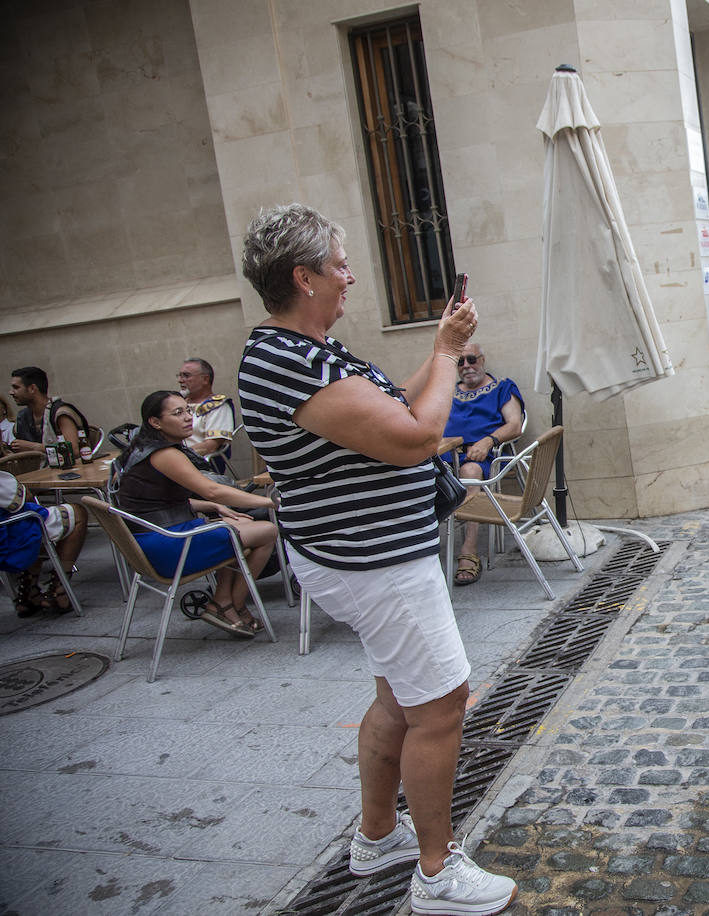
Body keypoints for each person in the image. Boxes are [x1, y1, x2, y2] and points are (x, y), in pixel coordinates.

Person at [237, 203, 517, 915]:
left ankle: (376, 836)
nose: (351, 277)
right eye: (338, 265)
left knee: (399, 697)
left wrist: (439, 345)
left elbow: (394, 405)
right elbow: (417, 438)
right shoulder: (288, 362)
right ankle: (437, 874)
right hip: (377, 564)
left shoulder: (304, 352)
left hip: (371, 555)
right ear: (303, 278)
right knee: (442, 706)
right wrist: (451, 355)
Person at [112, 390, 278, 636]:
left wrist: (212, 506)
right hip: (167, 544)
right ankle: (232, 603)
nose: (188, 417)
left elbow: (154, 502)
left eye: (188, 411)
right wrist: (270, 503)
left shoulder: (144, 448)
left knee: (231, 522)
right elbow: (212, 490)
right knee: (267, 530)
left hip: (151, 539)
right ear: (155, 422)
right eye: (177, 413)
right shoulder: (164, 454)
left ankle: (224, 601)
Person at [435, 341, 525, 586]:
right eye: (460, 362)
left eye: (471, 359)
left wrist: (488, 441)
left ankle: (468, 549)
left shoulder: (502, 388)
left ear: (483, 361)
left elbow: (514, 425)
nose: (466, 366)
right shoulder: (448, 392)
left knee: (470, 471)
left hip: (481, 458)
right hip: (445, 457)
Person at [1, 471, 87, 616]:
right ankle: (59, 592)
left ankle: (29, 591)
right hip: (9, 541)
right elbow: (22, 495)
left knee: (37, 523)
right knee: (77, 513)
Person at [9, 367, 92, 462]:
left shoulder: (60, 413)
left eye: (16, 387)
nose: (11, 392)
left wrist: (34, 447)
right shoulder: (22, 417)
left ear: (32, 388)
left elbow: (74, 451)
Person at [177, 358, 236, 467]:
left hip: (198, 466)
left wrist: (175, 456)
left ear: (205, 379)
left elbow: (211, 446)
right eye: (179, 375)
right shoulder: (176, 404)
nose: (180, 380)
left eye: (186, 375)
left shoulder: (218, 406)